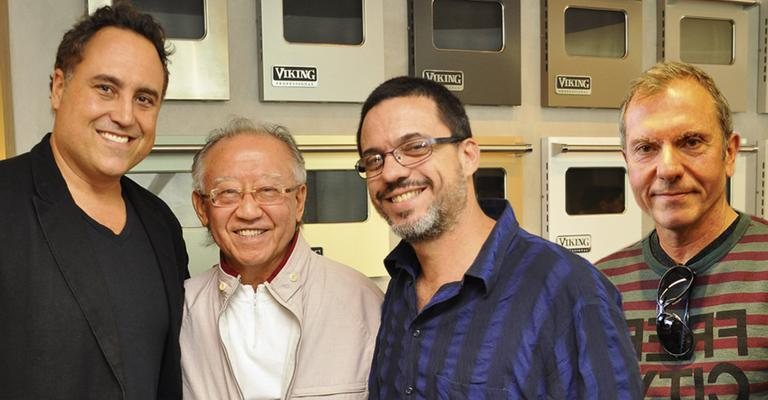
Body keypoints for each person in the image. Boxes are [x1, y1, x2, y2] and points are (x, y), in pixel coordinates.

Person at [355, 76, 643, 399]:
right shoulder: (400, 289)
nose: (392, 173)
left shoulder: (570, 291)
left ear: (468, 156)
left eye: (415, 147)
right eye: (374, 160)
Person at [0, 3, 189, 399]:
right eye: (106, 88)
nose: (124, 115)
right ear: (58, 87)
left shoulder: (161, 224)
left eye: (144, 99)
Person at [595, 61, 768, 398]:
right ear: (627, 162)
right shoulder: (600, 287)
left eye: (691, 141)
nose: (669, 168)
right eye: (646, 148)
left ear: (729, 153)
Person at [181, 118, 383, 399]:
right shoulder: (182, 311)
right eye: (228, 193)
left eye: (268, 190)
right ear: (202, 208)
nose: (249, 211)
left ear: (299, 201)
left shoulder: (364, 303)